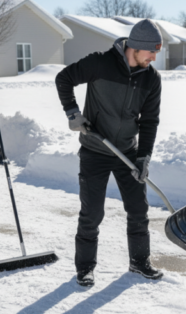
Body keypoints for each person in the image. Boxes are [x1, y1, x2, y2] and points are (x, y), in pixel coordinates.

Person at [55, 19, 164, 287]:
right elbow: (64, 78)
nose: (153, 58)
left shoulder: (151, 78)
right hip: (95, 150)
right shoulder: (100, 63)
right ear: (136, 47)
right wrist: (73, 112)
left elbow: (149, 121)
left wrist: (144, 157)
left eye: (156, 54)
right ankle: (85, 268)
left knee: (138, 210)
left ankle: (139, 263)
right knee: (92, 213)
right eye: (151, 52)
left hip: (128, 150)